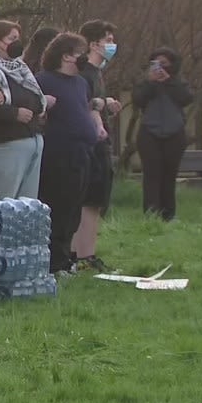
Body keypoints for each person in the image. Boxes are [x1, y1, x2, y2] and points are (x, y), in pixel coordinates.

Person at [0, 21, 48, 232]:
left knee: (25, 206)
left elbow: (35, 98)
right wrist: (13, 112)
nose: (17, 43)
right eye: (12, 39)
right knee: (2, 205)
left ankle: (16, 255)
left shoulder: (20, 69)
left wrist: (7, 97)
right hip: (2, 145)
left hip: (30, 141)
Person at [35, 33, 99, 274]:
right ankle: (53, 262)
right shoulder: (44, 80)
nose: (85, 57)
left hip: (83, 153)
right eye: (80, 51)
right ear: (66, 55)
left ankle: (66, 257)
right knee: (58, 208)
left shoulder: (81, 83)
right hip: (59, 154)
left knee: (74, 209)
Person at [73, 20, 119, 272]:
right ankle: (82, 254)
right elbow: (85, 105)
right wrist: (99, 106)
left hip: (101, 140)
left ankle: (87, 252)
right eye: (107, 41)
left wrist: (106, 103)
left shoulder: (98, 73)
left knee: (97, 200)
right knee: (88, 199)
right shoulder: (84, 74)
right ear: (93, 44)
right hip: (90, 144)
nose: (112, 46)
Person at [133, 48, 193, 221]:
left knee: (169, 174)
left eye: (164, 64)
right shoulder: (145, 83)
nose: (161, 68)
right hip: (149, 133)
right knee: (151, 174)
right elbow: (138, 99)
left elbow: (186, 98)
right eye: (157, 64)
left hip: (175, 133)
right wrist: (152, 82)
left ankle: (169, 214)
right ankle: (151, 214)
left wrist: (168, 82)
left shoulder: (178, 82)